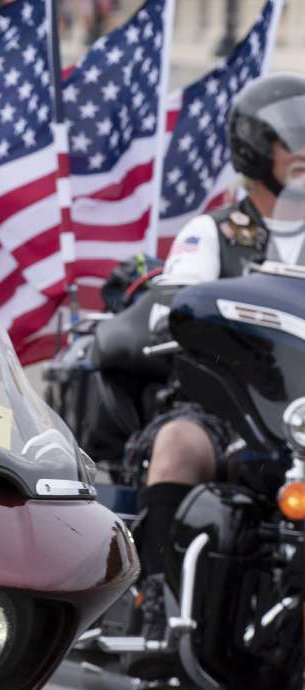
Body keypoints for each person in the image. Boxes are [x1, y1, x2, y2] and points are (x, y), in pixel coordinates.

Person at [130, 72, 305, 656]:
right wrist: (173, 313)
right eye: (292, 137)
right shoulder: (213, 232)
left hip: (301, 418)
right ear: (257, 149)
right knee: (179, 444)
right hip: (228, 413)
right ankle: (154, 596)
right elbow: (167, 306)